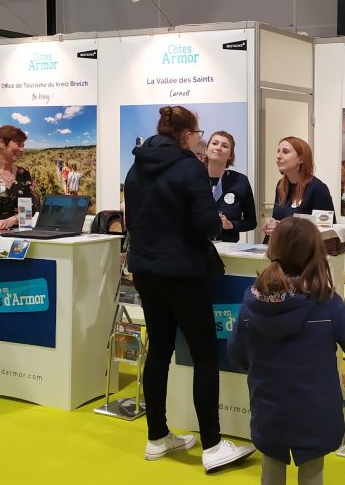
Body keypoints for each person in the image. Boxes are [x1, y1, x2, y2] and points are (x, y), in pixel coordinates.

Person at [124, 105, 255, 471]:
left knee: (159, 350)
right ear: (186, 135)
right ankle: (212, 445)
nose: (200, 138)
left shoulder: (136, 168)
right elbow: (207, 225)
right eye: (198, 133)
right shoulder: (189, 169)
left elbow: (133, 220)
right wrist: (213, 222)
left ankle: (157, 437)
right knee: (204, 355)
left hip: (147, 270)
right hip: (184, 271)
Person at [228, 217, 345, 485]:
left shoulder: (251, 301)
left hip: (268, 406)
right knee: (312, 472)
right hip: (316, 411)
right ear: (314, 253)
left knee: (271, 465)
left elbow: (236, 354)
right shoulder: (326, 303)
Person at [262, 137, 335, 241]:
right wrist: (271, 226)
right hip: (279, 249)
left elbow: (326, 230)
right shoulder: (280, 186)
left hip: (303, 252)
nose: (278, 156)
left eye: (285, 152)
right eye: (278, 151)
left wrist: (283, 229)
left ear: (301, 159)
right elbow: (278, 219)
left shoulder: (317, 188)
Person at [205, 131, 257, 242]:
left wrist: (231, 224)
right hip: (196, 248)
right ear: (206, 149)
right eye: (215, 143)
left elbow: (252, 222)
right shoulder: (194, 178)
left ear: (230, 156)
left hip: (227, 249)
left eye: (224, 146)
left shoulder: (240, 181)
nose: (218, 148)